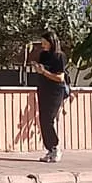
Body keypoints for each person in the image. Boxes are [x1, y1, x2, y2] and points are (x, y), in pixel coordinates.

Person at [28, 33, 70, 163]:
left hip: (55, 91)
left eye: (45, 42)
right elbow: (42, 70)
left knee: (49, 119)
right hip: (43, 89)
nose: (43, 45)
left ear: (51, 42)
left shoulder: (59, 56)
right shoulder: (43, 55)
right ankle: (49, 149)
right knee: (43, 119)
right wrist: (38, 68)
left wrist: (44, 72)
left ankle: (55, 147)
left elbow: (60, 78)